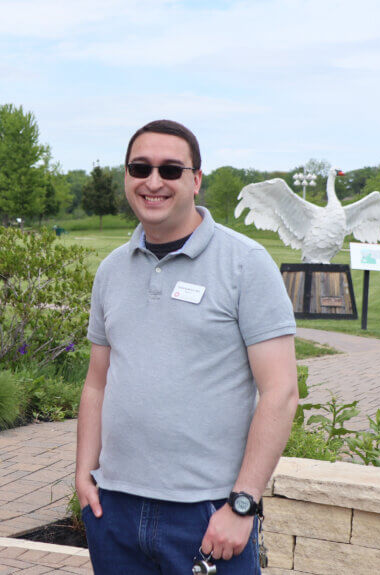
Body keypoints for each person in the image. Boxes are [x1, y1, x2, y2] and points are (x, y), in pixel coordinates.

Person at [75, 120, 298, 574]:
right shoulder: (112, 270)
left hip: (208, 515)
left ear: (196, 180)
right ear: (126, 177)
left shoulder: (245, 264)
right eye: (140, 168)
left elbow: (281, 393)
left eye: (170, 170)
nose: (153, 181)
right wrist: (85, 473)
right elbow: (97, 382)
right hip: (114, 509)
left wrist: (242, 505)